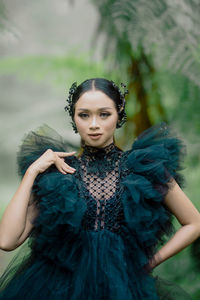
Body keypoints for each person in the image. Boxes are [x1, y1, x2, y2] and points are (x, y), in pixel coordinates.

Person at [0, 77, 199, 299]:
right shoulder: (57, 176)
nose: (94, 124)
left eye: (104, 114)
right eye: (84, 115)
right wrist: (32, 172)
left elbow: (194, 223)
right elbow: (7, 241)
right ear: (74, 118)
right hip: (58, 289)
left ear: (118, 114)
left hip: (124, 288)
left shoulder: (144, 168)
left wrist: (150, 262)